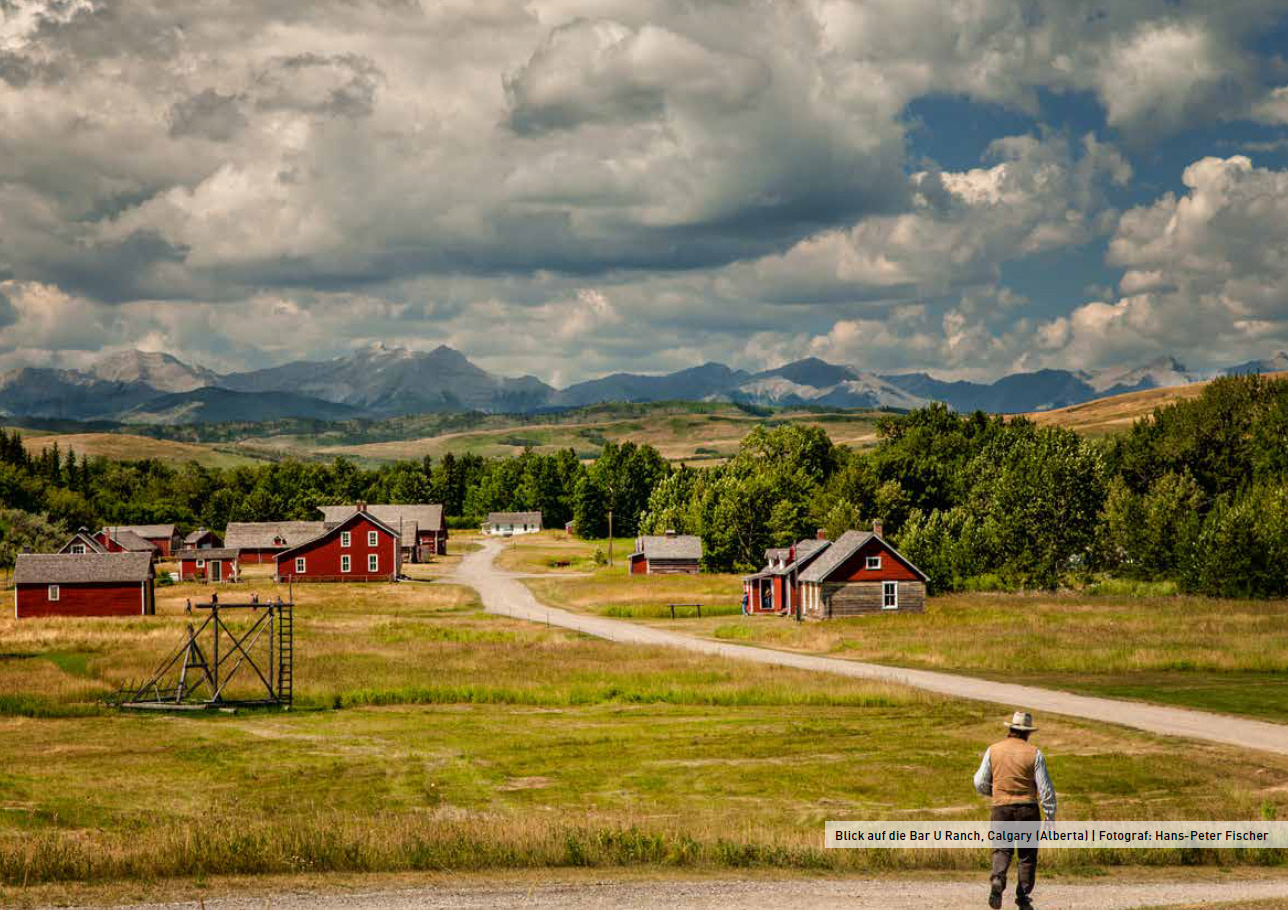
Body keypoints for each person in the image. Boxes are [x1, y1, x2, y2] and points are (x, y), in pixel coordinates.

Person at [973, 711, 1056, 910]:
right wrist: (1050, 815)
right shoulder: (1035, 753)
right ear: (1027, 733)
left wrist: (995, 793)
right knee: (1027, 855)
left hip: (1001, 808)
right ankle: (1023, 896)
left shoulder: (993, 750)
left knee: (1002, 849)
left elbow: (979, 782)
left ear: (1010, 729)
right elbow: (1045, 788)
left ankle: (998, 881)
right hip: (1028, 809)